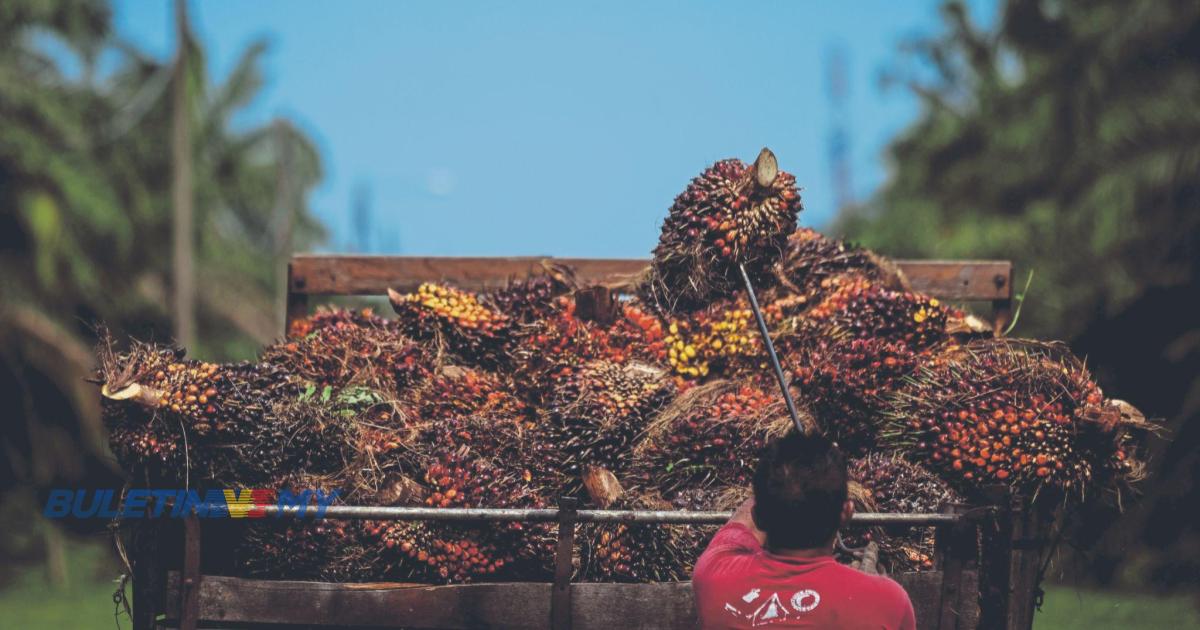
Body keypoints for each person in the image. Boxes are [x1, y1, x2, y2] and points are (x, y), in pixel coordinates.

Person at [692, 431, 916, 629]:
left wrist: (783, 478)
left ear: (759, 516)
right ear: (846, 513)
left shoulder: (713, 575)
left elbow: (740, 525)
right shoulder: (888, 602)